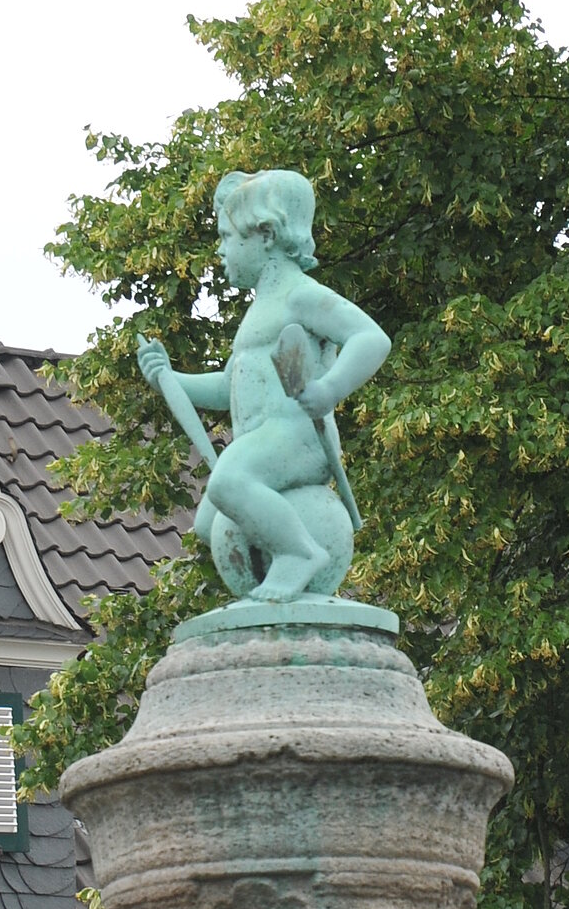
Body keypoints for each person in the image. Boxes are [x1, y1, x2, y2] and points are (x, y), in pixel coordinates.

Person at [136, 168, 390, 603]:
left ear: (266, 235)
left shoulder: (300, 295)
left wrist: (330, 389)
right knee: (207, 524)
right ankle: (278, 555)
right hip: (263, 441)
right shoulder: (259, 311)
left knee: (228, 482)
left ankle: (299, 552)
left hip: (298, 438)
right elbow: (226, 389)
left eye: (227, 236)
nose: (220, 250)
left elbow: (372, 338)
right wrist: (170, 380)